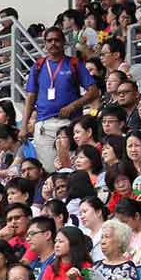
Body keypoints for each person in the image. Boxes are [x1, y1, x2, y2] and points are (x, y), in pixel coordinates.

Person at [21, 26, 98, 172]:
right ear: (44, 44)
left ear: (63, 42)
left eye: (57, 40)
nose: (53, 43)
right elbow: (30, 97)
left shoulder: (74, 63)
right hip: (44, 125)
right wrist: (24, 127)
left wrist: (73, 106)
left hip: (70, 125)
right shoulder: (38, 66)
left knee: (72, 168)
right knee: (48, 170)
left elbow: (93, 92)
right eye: (49, 40)